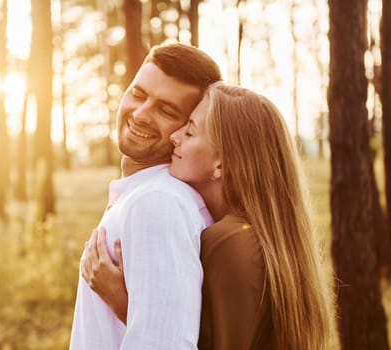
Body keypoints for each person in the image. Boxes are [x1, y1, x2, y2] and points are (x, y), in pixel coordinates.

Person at [81, 83, 337, 349]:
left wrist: (122, 302)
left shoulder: (230, 242)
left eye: (190, 131)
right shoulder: (258, 238)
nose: (175, 137)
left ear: (222, 164)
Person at [69, 43, 222, 349]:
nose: (140, 114)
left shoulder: (157, 203)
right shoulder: (146, 194)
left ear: (188, 126)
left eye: (166, 110)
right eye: (138, 94)